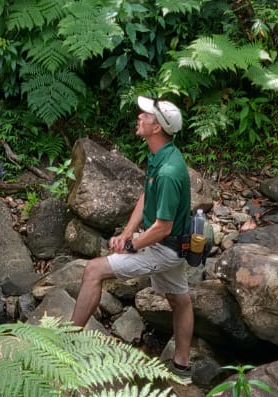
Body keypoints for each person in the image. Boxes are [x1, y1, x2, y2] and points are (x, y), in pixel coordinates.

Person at [71, 96, 195, 379]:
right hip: (175, 242)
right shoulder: (162, 154)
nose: (140, 116)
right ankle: (183, 367)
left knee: (93, 271)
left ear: (157, 128)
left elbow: (162, 227)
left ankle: (67, 345)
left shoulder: (168, 171)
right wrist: (128, 231)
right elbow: (145, 196)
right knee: (180, 300)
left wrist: (130, 245)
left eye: (147, 116)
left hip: (164, 248)